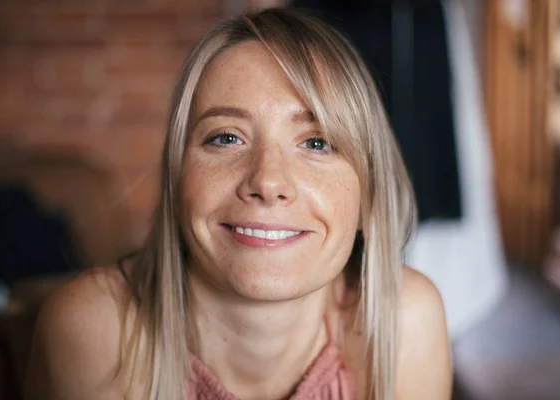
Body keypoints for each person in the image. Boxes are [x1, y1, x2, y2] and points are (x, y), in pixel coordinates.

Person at [23, 8, 451, 400]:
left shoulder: (404, 323)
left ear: (367, 195)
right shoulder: (94, 330)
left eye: (317, 143)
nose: (267, 181)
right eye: (226, 138)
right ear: (178, 178)